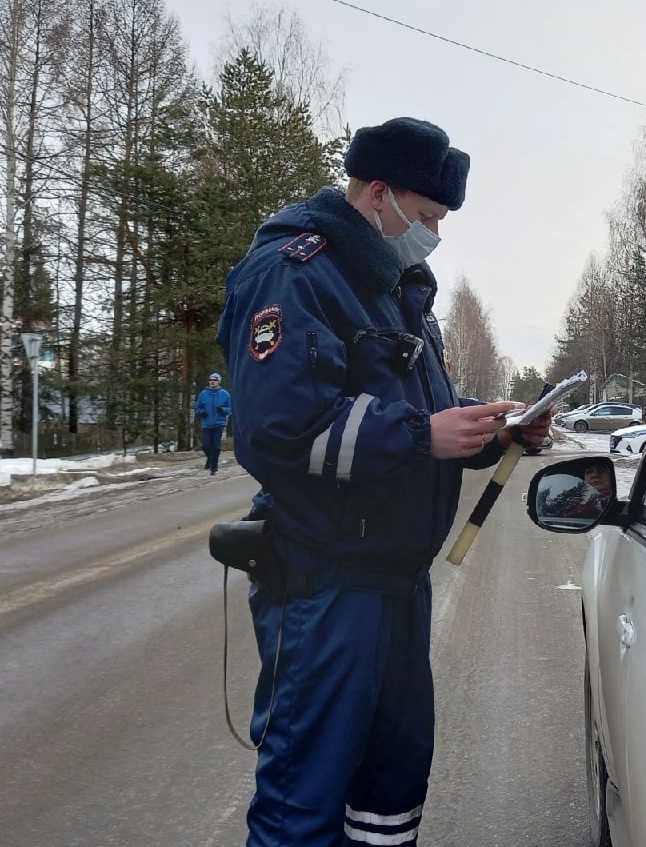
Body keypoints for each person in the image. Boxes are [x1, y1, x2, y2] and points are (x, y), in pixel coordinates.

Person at [215, 116, 552, 847]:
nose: (434, 234)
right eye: (428, 216)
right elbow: (279, 430)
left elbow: (415, 412)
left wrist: (484, 427)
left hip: (394, 579)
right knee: (304, 794)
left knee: (389, 786)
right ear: (377, 195)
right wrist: (423, 435)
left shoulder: (393, 288)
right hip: (323, 579)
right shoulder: (296, 272)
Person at [194, 372, 232, 475]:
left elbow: (230, 408)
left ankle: (214, 468)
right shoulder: (203, 394)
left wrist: (223, 410)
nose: (212, 382)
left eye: (214, 380)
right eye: (210, 380)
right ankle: (210, 459)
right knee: (206, 446)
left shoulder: (225, 394)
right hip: (206, 424)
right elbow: (197, 407)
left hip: (219, 423)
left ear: (218, 382)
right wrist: (202, 412)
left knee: (216, 447)